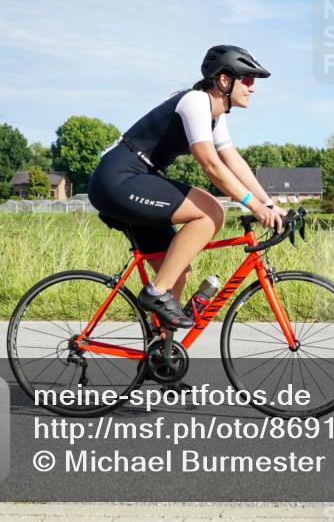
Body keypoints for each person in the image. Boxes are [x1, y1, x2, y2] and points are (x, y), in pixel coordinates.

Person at [87, 45, 286, 329]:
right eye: (247, 79)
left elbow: (233, 160)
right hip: (118, 178)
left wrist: (268, 205)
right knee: (211, 212)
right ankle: (155, 293)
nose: (252, 87)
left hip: (142, 178)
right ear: (224, 80)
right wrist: (253, 206)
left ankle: (159, 349)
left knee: (177, 272)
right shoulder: (195, 101)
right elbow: (211, 165)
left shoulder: (215, 115)